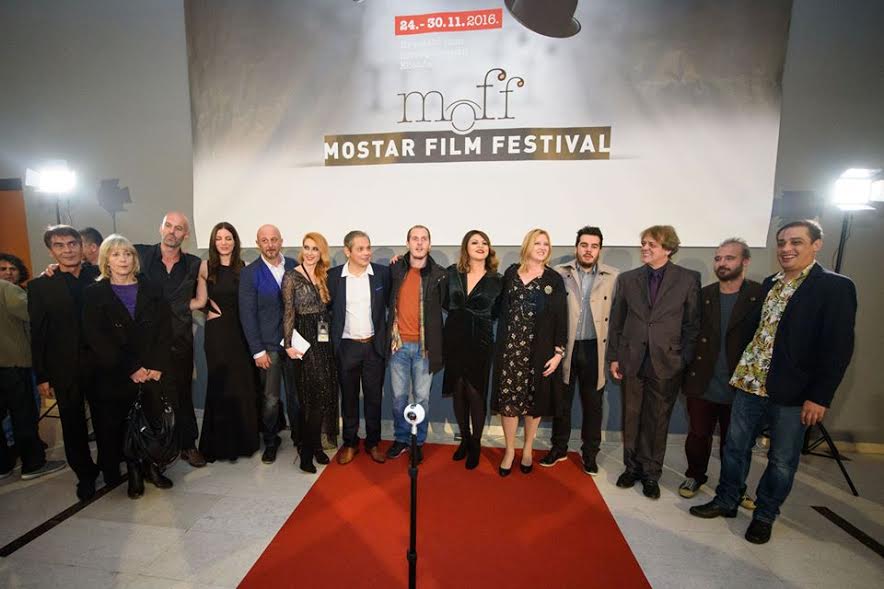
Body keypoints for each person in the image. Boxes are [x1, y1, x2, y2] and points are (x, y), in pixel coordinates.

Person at [691, 220, 857, 545]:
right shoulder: (771, 283)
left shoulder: (834, 287)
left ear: (816, 244)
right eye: (782, 242)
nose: (786, 248)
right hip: (750, 383)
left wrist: (820, 397)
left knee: (782, 460)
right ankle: (727, 499)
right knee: (735, 448)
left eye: (796, 242)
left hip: (794, 393)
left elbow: (838, 348)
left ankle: (765, 515)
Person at [607, 225, 701, 499]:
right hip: (632, 359)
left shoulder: (688, 279)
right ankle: (631, 468)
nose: (645, 248)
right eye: (644, 243)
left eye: (652, 244)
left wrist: (682, 359)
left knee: (657, 420)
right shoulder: (628, 279)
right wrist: (614, 357)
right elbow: (617, 322)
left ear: (668, 249)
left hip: (667, 361)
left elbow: (692, 324)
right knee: (632, 416)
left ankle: (651, 473)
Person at [83, 234, 175, 499]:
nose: (123, 259)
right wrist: (131, 368)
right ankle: (134, 471)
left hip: (152, 371)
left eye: (127, 254)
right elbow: (96, 338)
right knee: (125, 425)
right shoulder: (94, 293)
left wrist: (156, 364)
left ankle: (152, 467)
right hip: (117, 372)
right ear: (106, 260)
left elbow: (165, 329)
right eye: (116, 254)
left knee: (153, 420)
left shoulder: (152, 288)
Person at [679, 239, 762, 507]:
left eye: (729, 258)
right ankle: (694, 476)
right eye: (718, 258)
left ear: (745, 261)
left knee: (736, 443)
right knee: (698, 436)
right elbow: (689, 334)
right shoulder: (703, 295)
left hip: (741, 386)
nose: (722, 263)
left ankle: (735, 487)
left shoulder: (759, 296)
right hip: (703, 381)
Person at [28, 225, 101, 500]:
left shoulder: (100, 276)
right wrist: (42, 375)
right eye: (59, 245)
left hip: (102, 364)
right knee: (72, 424)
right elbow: (38, 333)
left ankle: (110, 464)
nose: (67, 250)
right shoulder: (40, 286)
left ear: (81, 246)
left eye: (72, 244)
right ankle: (85, 474)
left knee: (107, 419)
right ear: (51, 251)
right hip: (64, 367)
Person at [540, 226, 619, 475]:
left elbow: (618, 318)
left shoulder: (613, 277)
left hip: (595, 348)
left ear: (600, 250)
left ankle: (590, 454)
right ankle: (559, 448)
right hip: (565, 347)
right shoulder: (559, 273)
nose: (588, 250)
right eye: (584, 245)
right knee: (561, 401)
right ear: (576, 247)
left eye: (594, 246)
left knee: (593, 405)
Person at [491, 228, 567, 476]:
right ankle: (509, 450)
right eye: (538, 243)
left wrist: (558, 353)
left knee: (533, 402)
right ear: (527, 246)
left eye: (546, 244)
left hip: (539, 351)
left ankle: (527, 449)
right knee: (509, 402)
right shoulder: (511, 273)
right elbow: (497, 306)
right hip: (510, 350)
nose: (542, 247)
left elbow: (561, 317)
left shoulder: (553, 279)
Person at [134, 212, 204, 468]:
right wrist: (54, 269)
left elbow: (214, 286)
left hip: (179, 341)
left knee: (182, 394)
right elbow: (107, 265)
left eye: (179, 228)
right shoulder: (139, 255)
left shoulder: (194, 264)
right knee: (151, 397)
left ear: (186, 235)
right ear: (160, 227)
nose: (172, 231)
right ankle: (155, 450)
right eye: (168, 226)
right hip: (147, 343)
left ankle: (188, 445)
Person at [189, 222, 259, 463]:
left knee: (241, 385)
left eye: (228, 238)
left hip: (241, 332)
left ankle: (243, 443)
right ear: (213, 242)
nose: (224, 242)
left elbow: (250, 303)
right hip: (217, 333)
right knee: (221, 384)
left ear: (235, 241)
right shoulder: (205, 267)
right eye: (219, 238)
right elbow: (199, 301)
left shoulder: (244, 267)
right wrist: (171, 305)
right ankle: (219, 445)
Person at [385, 226, 448, 464]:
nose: (419, 243)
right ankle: (402, 439)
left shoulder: (440, 274)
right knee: (398, 399)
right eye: (415, 239)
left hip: (425, 349)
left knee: (422, 399)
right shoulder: (395, 269)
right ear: (407, 243)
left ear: (430, 244)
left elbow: (447, 306)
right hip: (398, 347)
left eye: (424, 239)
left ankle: (418, 442)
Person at [328, 230, 391, 465]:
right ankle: (350, 443)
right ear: (348, 251)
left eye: (368, 248)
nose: (367, 253)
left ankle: (373, 443)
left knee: (374, 398)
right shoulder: (334, 277)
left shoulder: (381, 274)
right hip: (346, 348)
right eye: (360, 249)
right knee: (349, 398)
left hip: (374, 347)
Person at [239, 224, 299, 464]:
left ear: (281, 241)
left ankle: (300, 437)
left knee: (296, 395)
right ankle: (271, 442)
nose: (270, 244)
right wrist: (257, 351)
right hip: (268, 348)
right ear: (258, 244)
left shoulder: (293, 265)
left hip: (294, 345)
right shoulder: (250, 273)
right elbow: (247, 314)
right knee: (271, 400)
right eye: (265, 240)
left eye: (274, 239)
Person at [442, 230, 502, 470]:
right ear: (465, 248)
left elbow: (497, 312)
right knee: (458, 390)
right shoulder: (452, 274)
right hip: (454, 339)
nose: (480, 246)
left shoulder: (497, 280)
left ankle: (476, 444)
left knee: (476, 393)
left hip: (481, 342)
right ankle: (464, 439)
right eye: (474, 242)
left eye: (484, 242)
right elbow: (444, 301)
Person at [282, 233, 340, 473]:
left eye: (315, 248)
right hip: (304, 341)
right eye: (306, 247)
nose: (309, 252)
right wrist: (288, 345)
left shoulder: (324, 275)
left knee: (325, 395)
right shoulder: (291, 276)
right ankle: (306, 452)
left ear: (321, 252)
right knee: (312, 398)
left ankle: (316, 446)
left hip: (323, 341)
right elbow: (288, 312)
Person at [1, 275, 66, 480]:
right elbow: (34, 313)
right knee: (24, 416)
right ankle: (33, 463)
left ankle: (3, 465)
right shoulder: (5, 289)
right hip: (13, 363)